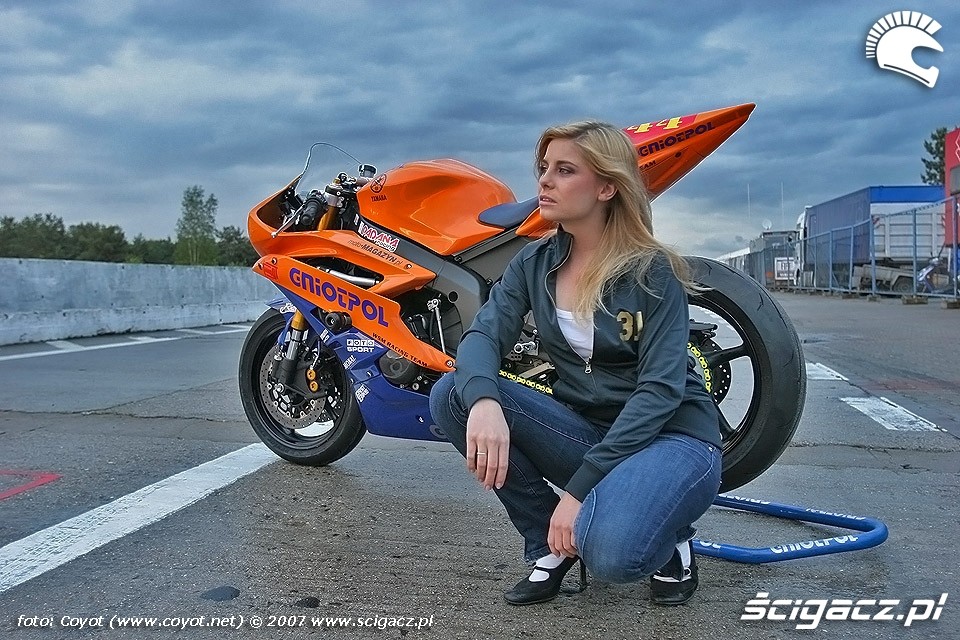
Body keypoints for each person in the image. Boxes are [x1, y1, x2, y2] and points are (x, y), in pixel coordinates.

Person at [429, 120, 722, 606]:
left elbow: (660, 393)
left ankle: (674, 538)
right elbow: (483, 336)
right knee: (452, 396)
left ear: (607, 187)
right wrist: (483, 401)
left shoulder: (652, 272)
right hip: (592, 431)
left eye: (565, 171)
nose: (544, 181)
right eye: (545, 168)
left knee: (613, 556)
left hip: (671, 438)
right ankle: (549, 541)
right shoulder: (534, 262)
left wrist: (578, 492)